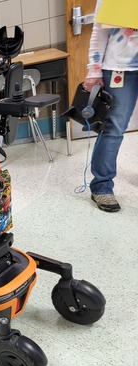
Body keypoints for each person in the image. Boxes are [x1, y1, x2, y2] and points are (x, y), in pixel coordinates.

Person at [83, 0, 138, 212]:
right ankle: (102, 186)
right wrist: (94, 70)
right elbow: (99, 30)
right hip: (121, 67)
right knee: (114, 127)